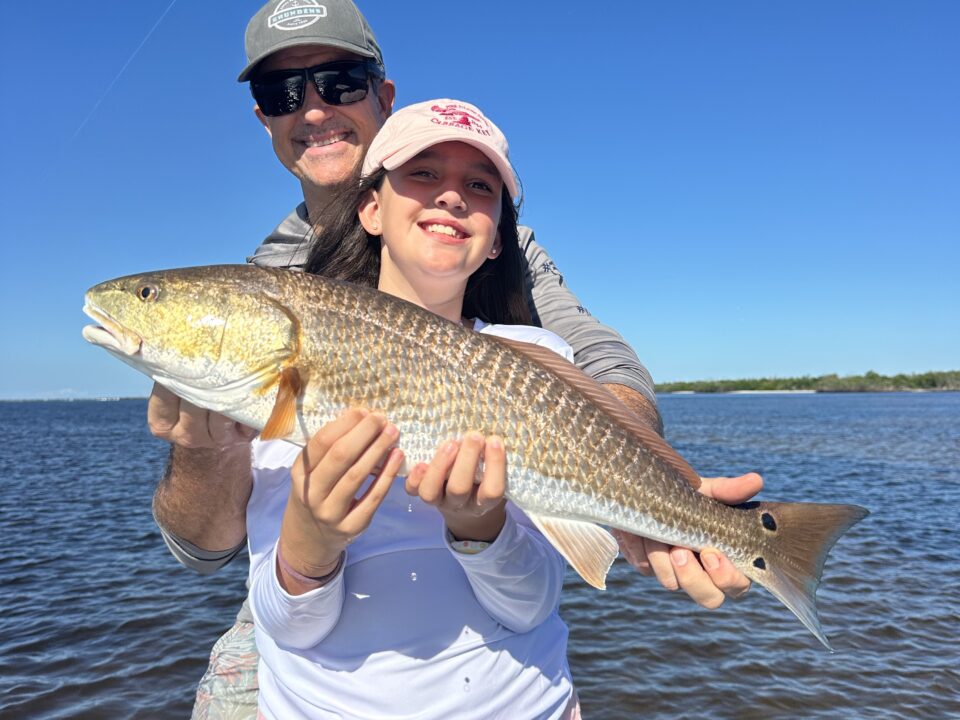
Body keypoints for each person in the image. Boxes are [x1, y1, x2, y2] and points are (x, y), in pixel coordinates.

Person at [147, 1, 761, 716]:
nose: (313, 109)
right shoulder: (257, 283)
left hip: (495, 628)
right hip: (299, 611)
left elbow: (595, 359)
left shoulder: (498, 242)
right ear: (263, 118)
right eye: (283, 92)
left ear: (383, 95)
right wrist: (205, 453)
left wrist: (612, 485)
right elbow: (207, 546)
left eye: (339, 81)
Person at [249, 98, 584, 718]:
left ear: (495, 243)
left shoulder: (538, 359)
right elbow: (288, 628)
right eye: (423, 174)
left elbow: (530, 607)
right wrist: (310, 541)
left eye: (479, 186)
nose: (452, 197)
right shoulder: (290, 374)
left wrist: (482, 531)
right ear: (370, 208)